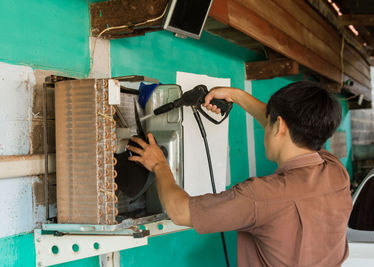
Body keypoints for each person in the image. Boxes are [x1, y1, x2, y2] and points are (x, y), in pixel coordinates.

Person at [127, 81, 353, 267]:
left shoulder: (261, 195)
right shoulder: (335, 172)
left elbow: (179, 211)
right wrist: (236, 95)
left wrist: (159, 165)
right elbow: (292, 129)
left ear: (279, 125)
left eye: (271, 121)